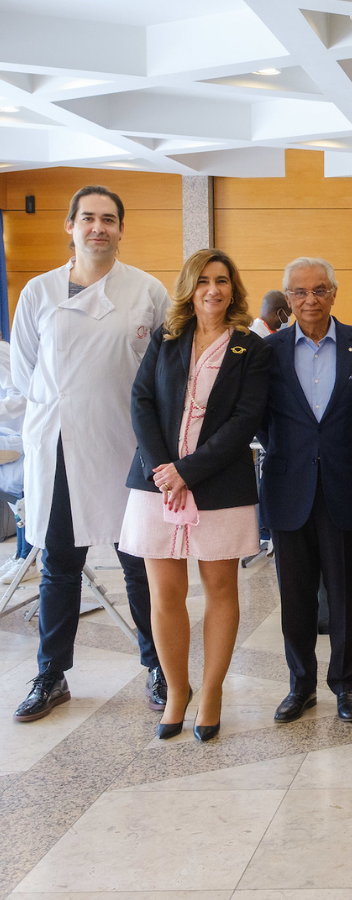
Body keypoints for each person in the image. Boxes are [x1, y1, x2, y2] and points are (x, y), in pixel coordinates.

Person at [10, 185, 168, 722]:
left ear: (122, 229)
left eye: (108, 219)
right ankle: (51, 675)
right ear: (70, 226)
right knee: (58, 565)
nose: (97, 227)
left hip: (126, 447)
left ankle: (158, 665)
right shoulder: (38, 291)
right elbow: (25, 374)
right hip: (58, 447)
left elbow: (165, 376)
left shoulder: (147, 292)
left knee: (138, 564)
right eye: (88, 218)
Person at [120, 249, 271, 742]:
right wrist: (163, 469)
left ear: (233, 288)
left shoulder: (251, 347)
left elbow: (244, 421)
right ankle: (177, 691)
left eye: (223, 280)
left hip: (219, 487)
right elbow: (141, 400)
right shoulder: (166, 338)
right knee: (165, 593)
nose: (213, 289)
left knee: (220, 591)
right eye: (204, 280)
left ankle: (211, 692)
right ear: (190, 286)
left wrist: (188, 471)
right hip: (156, 484)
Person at [259, 256, 352, 725]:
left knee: (347, 594)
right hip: (288, 487)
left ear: (334, 292)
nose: (309, 300)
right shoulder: (266, 351)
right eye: (298, 292)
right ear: (286, 298)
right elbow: (255, 418)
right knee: (296, 597)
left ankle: (345, 684)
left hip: (345, 487)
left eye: (318, 290)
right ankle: (301, 685)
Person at [0, 339, 31, 585]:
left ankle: (27, 559)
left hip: (18, 436)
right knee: (16, 498)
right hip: (9, 437)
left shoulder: (1, 351)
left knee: (24, 497)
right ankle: (20, 554)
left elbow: (19, 395)